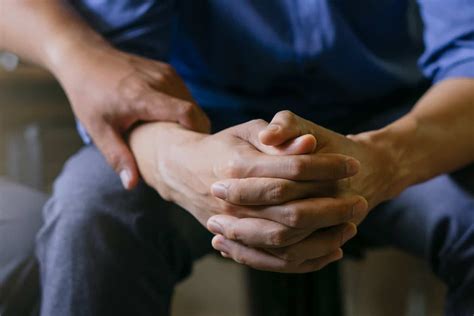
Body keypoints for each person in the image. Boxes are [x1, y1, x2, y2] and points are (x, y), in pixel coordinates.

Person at [1, 1, 473, 315]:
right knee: (94, 210)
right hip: (192, 118)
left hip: (404, 116)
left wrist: (384, 161)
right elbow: (122, 69)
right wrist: (176, 162)